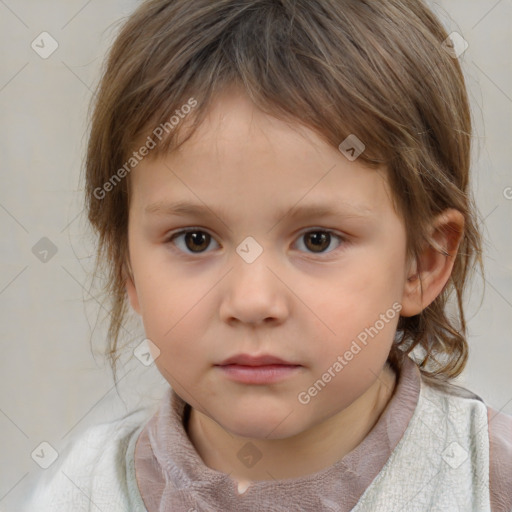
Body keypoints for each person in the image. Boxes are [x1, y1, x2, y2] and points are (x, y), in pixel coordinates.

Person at [22, 0, 512, 510]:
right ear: (129, 267)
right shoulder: (82, 491)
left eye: (317, 240)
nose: (252, 301)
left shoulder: (486, 482)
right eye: (195, 239)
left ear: (423, 263)